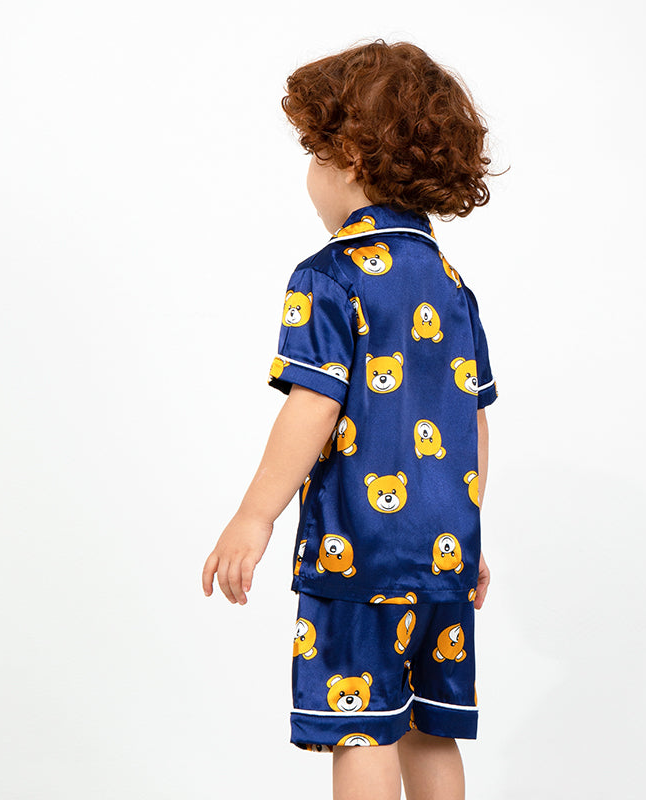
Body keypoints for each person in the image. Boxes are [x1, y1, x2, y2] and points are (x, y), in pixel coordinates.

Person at [202, 39, 500, 800]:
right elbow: (471, 416)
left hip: (357, 553)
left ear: (352, 160)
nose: (310, 172)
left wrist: (255, 515)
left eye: (315, 152)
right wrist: (467, 531)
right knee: (430, 727)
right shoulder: (451, 284)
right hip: (443, 550)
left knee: (362, 724)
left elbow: (314, 401)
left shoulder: (329, 276)